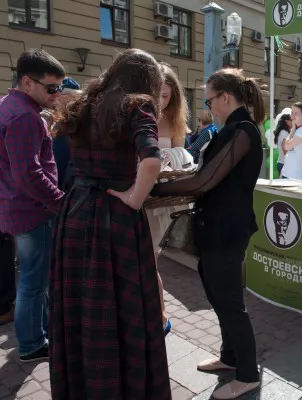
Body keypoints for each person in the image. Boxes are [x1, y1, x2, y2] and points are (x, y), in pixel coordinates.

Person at [50, 49, 171, 399]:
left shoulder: (84, 103)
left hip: (75, 211)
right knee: (118, 306)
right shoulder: (136, 105)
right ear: (147, 81)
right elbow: (152, 161)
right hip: (113, 218)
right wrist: (134, 198)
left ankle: (84, 387)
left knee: (81, 306)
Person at [149, 68, 264, 399]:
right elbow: (205, 175)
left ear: (225, 97)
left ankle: (247, 375)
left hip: (227, 230)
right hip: (215, 227)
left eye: (209, 99)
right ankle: (230, 358)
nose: (207, 106)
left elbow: (203, 181)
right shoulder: (231, 129)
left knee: (230, 304)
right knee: (218, 297)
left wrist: (155, 187)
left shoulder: (242, 131)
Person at [0, 48, 65, 362]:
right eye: (51, 88)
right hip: (32, 210)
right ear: (27, 83)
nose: (57, 94)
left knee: (29, 276)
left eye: (60, 87)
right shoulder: (26, 115)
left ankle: (36, 334)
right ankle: (32, 344)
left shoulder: (9, 105)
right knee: (33, 280)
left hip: (19, 207)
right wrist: (59, 201)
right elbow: (29, 173)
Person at [146, 62, 190, 336]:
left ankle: (159, 316)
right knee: (144, 259)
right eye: (156, 93)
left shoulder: (175, 119)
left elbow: (182, 160)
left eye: (166, 95)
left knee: (149, 258)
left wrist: (164, 160)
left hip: (159, 200)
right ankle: (155, 315)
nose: (161, 100)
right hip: (136, 195)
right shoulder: (138, 113)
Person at [282, 102, 302, 180]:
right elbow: (288, 152)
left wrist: (292, 130)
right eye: (292, 112)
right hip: (287, 173)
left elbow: (286, 146)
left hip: (297, 175)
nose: (292, 116)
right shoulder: (296, 128)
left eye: (296, 113)